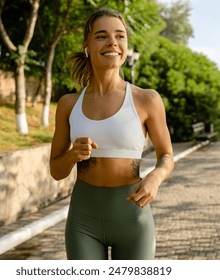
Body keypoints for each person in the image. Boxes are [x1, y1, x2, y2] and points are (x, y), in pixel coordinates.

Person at [49, 8, 174, 260]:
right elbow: (56, 170)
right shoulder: (68, 104)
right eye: (101, 36)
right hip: (83, 222)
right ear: (87, 45)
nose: (112, 43)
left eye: (120, 36)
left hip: (133, 219)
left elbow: (166, 155)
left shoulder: (146, 99)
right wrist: (73, 154)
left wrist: (156, 177)